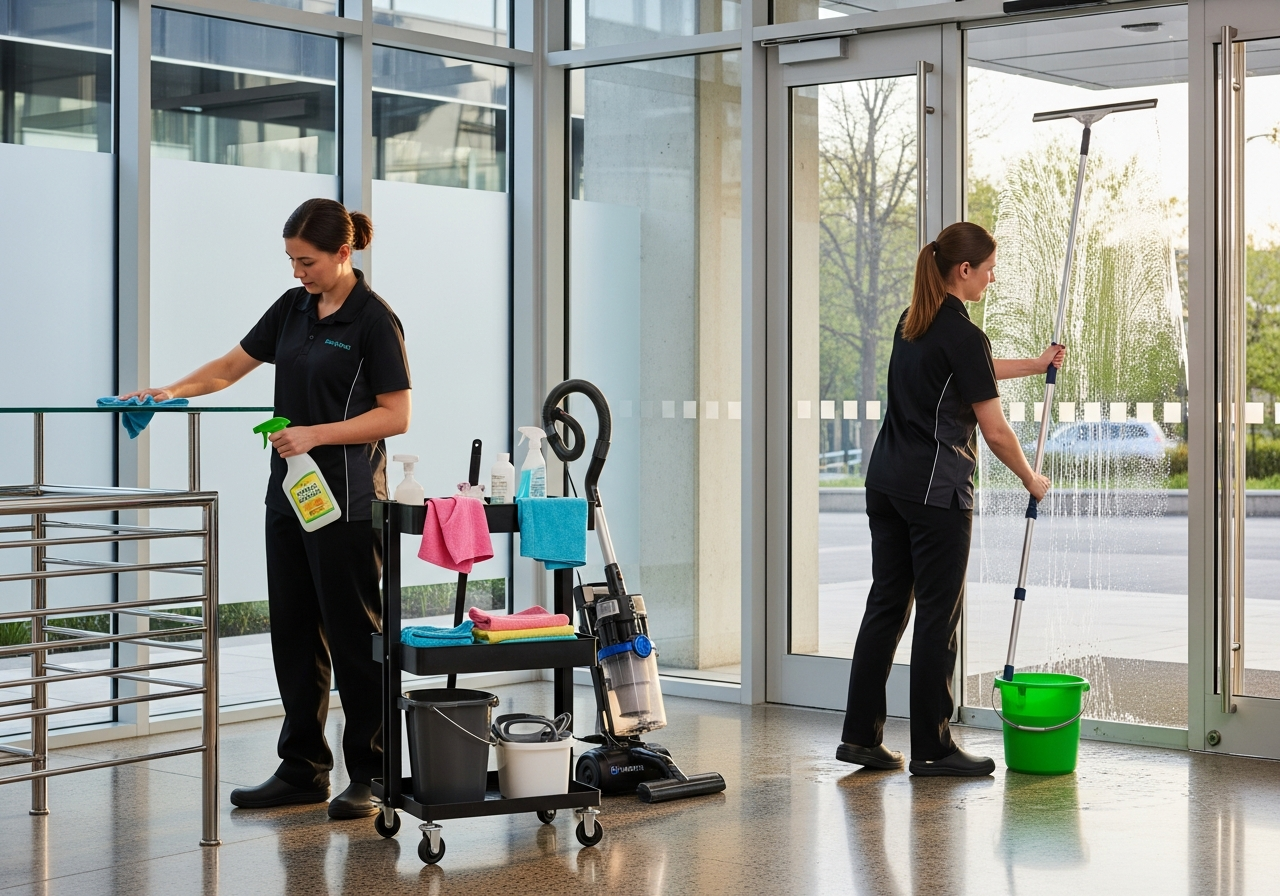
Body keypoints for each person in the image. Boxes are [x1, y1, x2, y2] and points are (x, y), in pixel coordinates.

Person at [123, 199, 411, 816]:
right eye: (290, 260)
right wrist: (167, 390)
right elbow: (231, 367)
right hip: (291, 495)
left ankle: (373, 771)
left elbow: (397, 414)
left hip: (349, 501)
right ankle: (303, 767)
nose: (297, 272)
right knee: (293, 631)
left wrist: (315, 433)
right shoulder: (293, 308)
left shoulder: (373, 320)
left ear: (343, 253)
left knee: (356, 637)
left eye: (306, 261)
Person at [834, 221, 1064, 777]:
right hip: (935, 491)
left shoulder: (912, 322)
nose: (991, 277)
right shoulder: (962, 333)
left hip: (886, 483)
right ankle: (933, 748)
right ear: (964, 270)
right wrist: (1032, 478)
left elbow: (973, 373)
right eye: (987, 269)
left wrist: (1035, 365)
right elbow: (995, 430)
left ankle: (860, 739)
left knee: (887, 606)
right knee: (939, 616)